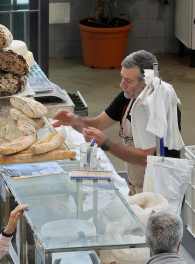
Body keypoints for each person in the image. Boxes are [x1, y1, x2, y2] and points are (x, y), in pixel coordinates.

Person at [52, 50, 182, 195]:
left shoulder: (160, 106)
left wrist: (107, 143)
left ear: (146, 82)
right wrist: (74, 120)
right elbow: (97, 124)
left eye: (128, 81)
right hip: (137, 184)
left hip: (162, 189)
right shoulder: (129, 96)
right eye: (122, 78)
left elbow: (145, 158)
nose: (122, 85)